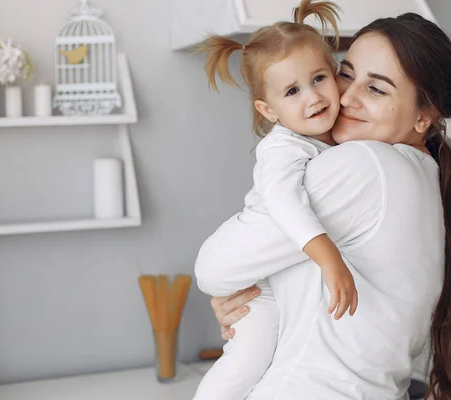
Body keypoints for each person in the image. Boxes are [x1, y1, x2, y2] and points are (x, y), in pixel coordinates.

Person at [195, 12, 451, 400]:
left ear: (425, 115)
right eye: (344, 74)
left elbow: (213, 268)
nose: (345, 98)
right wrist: (256, 305)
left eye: (377, 89)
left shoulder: (366, 165)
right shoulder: (424, 176)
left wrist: (234, 291)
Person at [193, 2, 358, 399]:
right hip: (232, 261)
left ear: (335, 74)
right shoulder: (281, 146)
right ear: (269, 110)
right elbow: (286, 204)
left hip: (267, 274)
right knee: (246, 362)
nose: (313, 97)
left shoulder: (338, 141)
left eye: (319, 78)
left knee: (261, 359)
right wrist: (329, 258)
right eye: (292, 91)